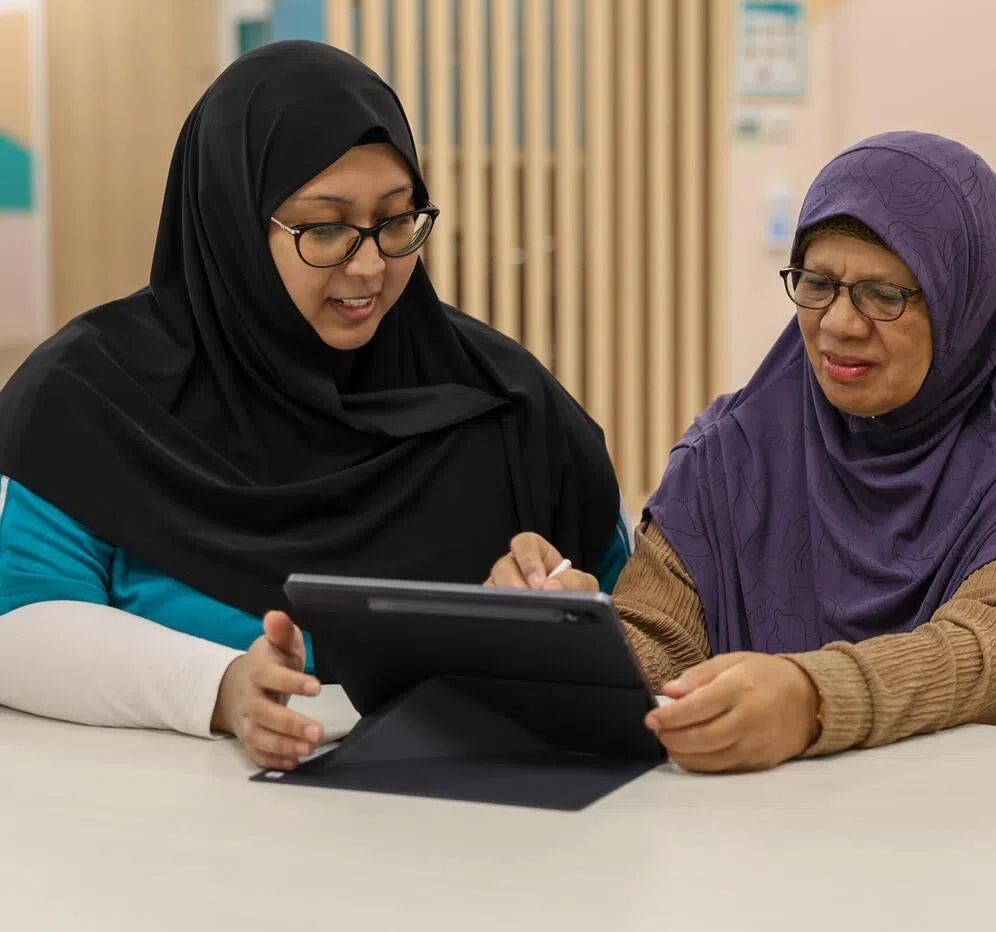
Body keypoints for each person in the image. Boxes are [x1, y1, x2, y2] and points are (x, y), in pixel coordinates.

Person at [0, 41, 628, 770]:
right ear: (231, 223)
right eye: (323, 228)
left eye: (397, 222)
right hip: (166, 849)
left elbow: (638, 619)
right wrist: (220, 687)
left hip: (459, 845)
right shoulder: (94, 392)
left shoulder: (504, 402)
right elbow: (18, 624)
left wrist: (565, 619)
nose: (370, 266)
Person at [489, 131, 996, 773]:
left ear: (966, 303)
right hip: (776, 844)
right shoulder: (733, 453)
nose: (839, 324)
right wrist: (573, 634)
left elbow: (991, 655)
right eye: (818, 282)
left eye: (886, 294)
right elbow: (666, 649)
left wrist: (812, 699)